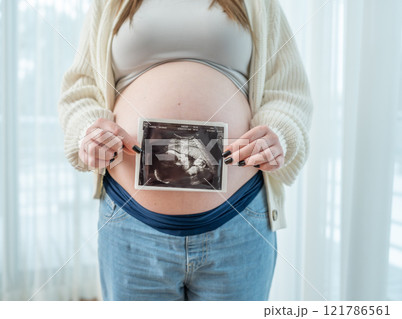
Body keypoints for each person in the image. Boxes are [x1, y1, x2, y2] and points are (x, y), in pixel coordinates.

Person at [57, 0, 313, 301]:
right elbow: (81, 89)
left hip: (238, 223)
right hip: (130, 222)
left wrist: (280, 135)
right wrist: (88, 132)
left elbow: (287, 92)